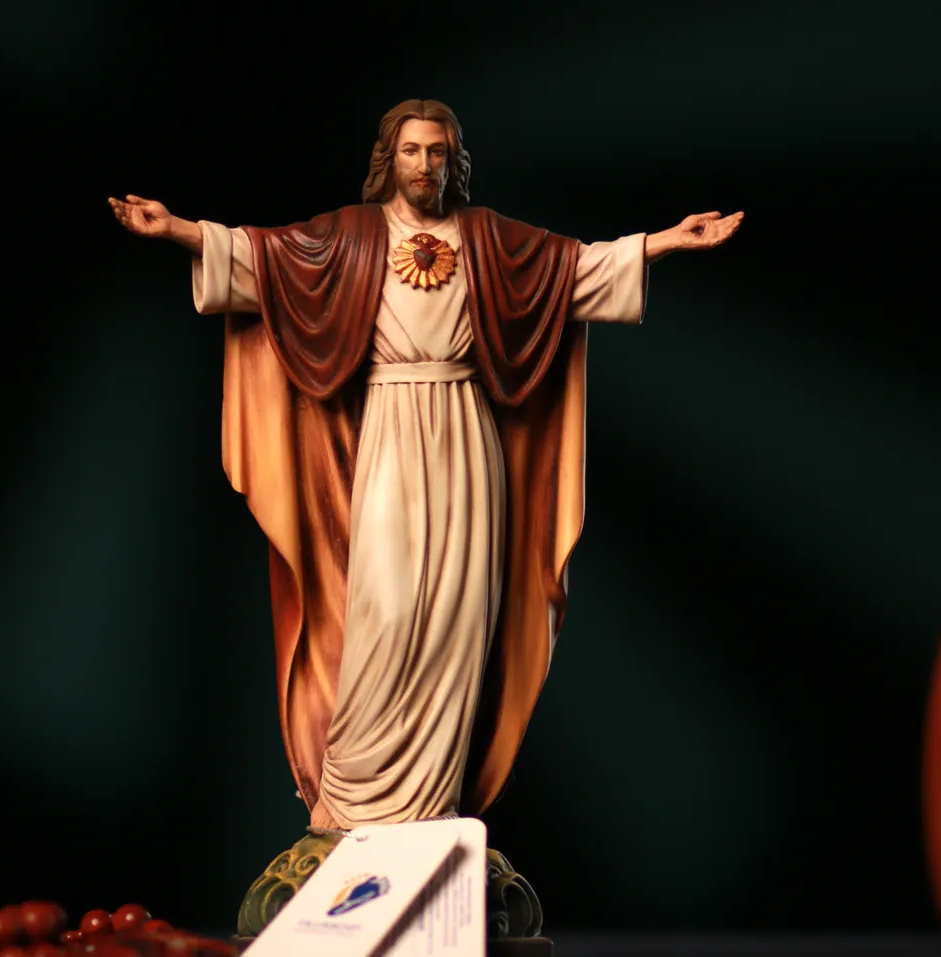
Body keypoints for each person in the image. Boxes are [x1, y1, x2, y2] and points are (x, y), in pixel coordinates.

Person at [109, 99, 741, 834]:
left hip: (467, 439)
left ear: (454, 161)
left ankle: (430, 809)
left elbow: (577, 271)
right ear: (390, 158)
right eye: (412, 151)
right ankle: (351, 797)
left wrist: (667, 241)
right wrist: (177, 229)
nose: (424, 165)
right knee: (383, 606)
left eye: (438, 152)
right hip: (389, 428)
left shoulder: (490, 240)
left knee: (458, 619)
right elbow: (264, 259)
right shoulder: (350, 236)